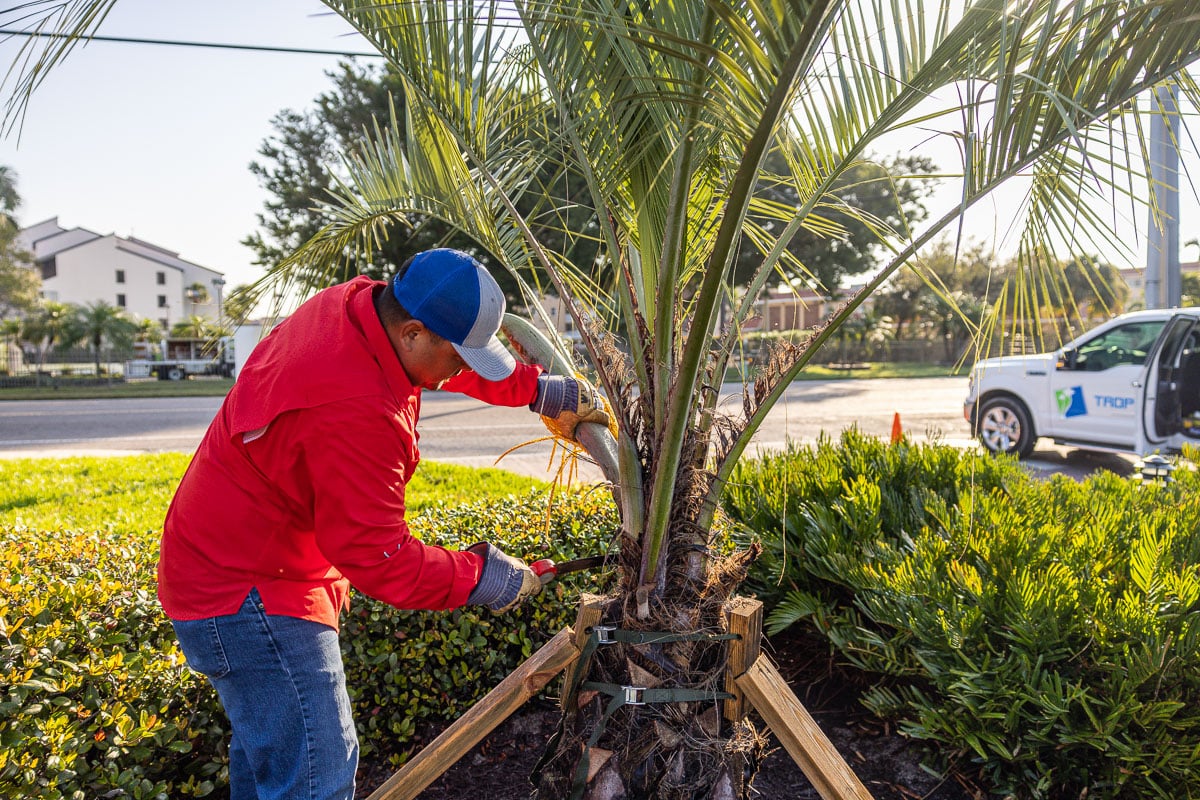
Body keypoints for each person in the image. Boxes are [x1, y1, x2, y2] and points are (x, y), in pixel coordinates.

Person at [157, 248, 609, 800]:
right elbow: (380, 559)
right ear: (414, 332)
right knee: (315, 782)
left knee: (273, 772)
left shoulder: (354, 307)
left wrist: (533, 389)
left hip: (228, 565)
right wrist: (481, 576)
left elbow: (437, 366)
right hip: (249, 595)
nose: (463, 370)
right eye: (460, 356)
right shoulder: (358, 410)